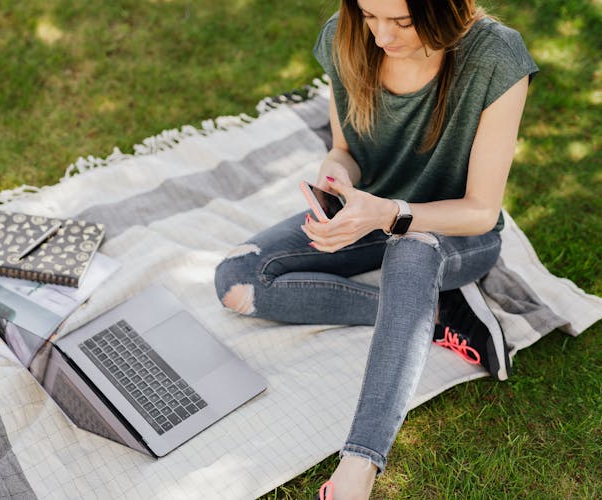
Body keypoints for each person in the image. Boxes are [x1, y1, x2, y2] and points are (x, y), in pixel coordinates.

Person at [214, 0, 538, 498]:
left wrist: (389, 215)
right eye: (369, 14)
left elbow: (479, 210)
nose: (381, 35)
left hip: (456, 231)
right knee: (238, 279)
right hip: (371, 210)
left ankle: (360, 464)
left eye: (402, 22)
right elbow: (346, 150)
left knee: (410, 249)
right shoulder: (346, 38)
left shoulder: (495, 55)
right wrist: (337, 179)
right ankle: (432, 314)